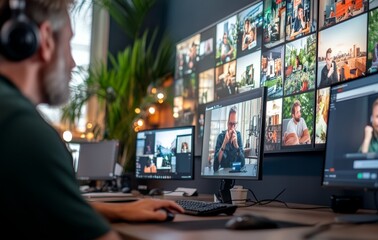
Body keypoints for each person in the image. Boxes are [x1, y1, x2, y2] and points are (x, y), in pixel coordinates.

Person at [0, 1, 184, 239]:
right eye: (68, 43)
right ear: (45, 40)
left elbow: (52, 204)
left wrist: (120, 210)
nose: (73, 63)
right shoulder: (22, 129)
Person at [214, 106, 245, 172]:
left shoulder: (238, 135)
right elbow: (215, 166)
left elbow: (243, 164)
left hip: (235, 173)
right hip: (223, 173)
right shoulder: (220, 137)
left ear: (237, 123)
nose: (232, 128)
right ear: (227, 123)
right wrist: (224, 143)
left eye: (235, 124)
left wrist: (236, 146)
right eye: (230, 124)